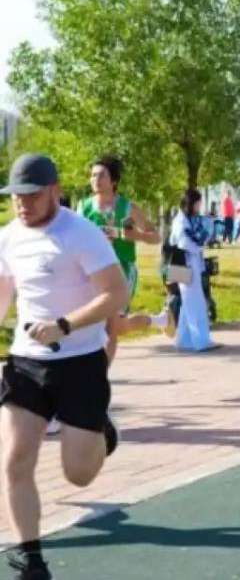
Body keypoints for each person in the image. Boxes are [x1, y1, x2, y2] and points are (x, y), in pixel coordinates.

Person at [0, 155, 124, 580]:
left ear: (54, 190)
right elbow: (3, 296)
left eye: (32, 195)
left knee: (79, 476)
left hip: (80, 363)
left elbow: (116, 294)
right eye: (16, 196)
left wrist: (64, 326)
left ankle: (101, 433)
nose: (23, 204)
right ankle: (30, 560)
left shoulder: (81, 233)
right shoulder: (8, 237)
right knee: (15, 462)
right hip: (26, 363)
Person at [76, 155, 170, 366]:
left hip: (121, 270)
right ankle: (158, 320)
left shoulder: (128, 208)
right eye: (92, 175)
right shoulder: (83, 208)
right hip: (92, 271)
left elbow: (155, 237)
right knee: (114, 325)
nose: (95, 180)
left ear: (114, 181)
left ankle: (100, 375)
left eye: (101, 175)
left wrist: (125, 234)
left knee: (112, 324)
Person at [169, 189, 218, 352]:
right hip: (183, 265)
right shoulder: (181, 221)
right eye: (198, 202)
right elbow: (185, 243)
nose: (200, 206)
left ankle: (184, 340)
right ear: (191, 203)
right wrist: (200, 245)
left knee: (188, 303)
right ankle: (200, 341)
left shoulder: (188, 219)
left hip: (187, 264)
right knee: (194, 303)